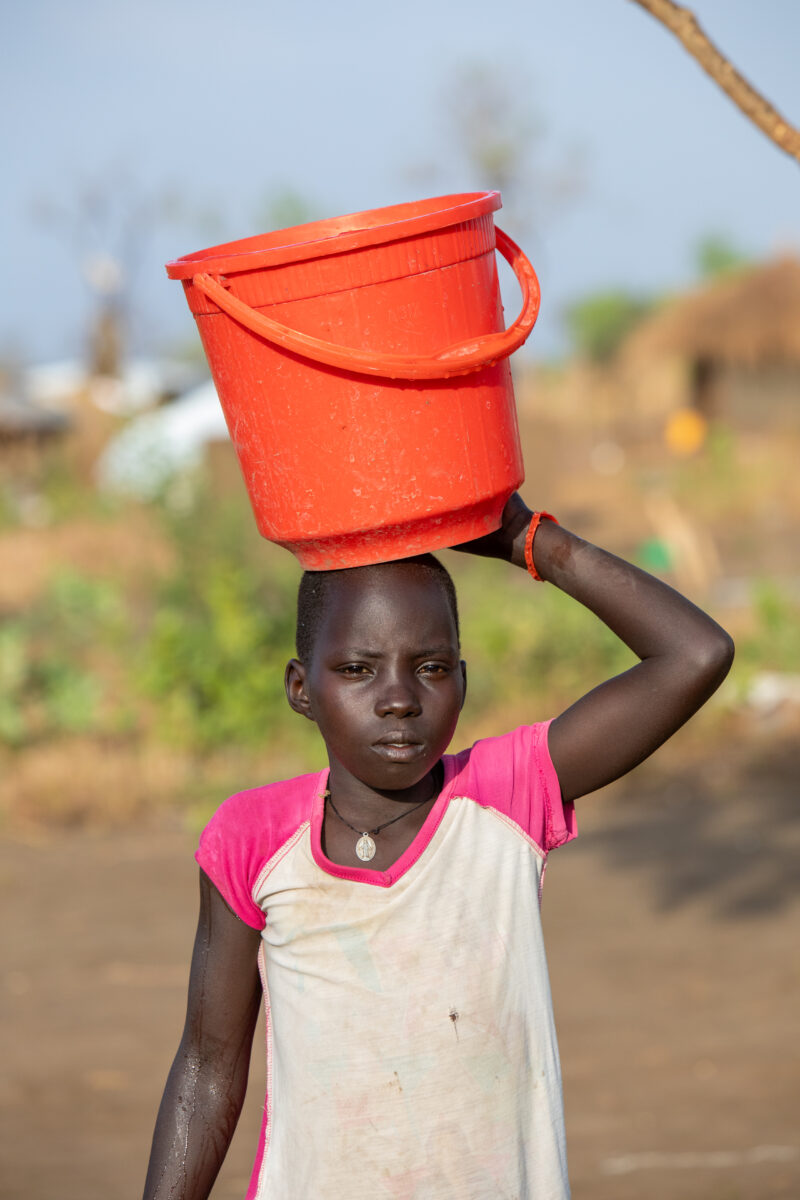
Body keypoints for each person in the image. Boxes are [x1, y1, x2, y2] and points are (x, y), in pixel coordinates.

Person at [142, 493, 733, 1200]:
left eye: (430, 667)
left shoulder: (507, 795)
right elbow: (208, 1068)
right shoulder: (254, 837)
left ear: (462, 680)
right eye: (359, 669)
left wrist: (532, 542)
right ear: (302, 689)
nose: (399, 699)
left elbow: (696, 655)